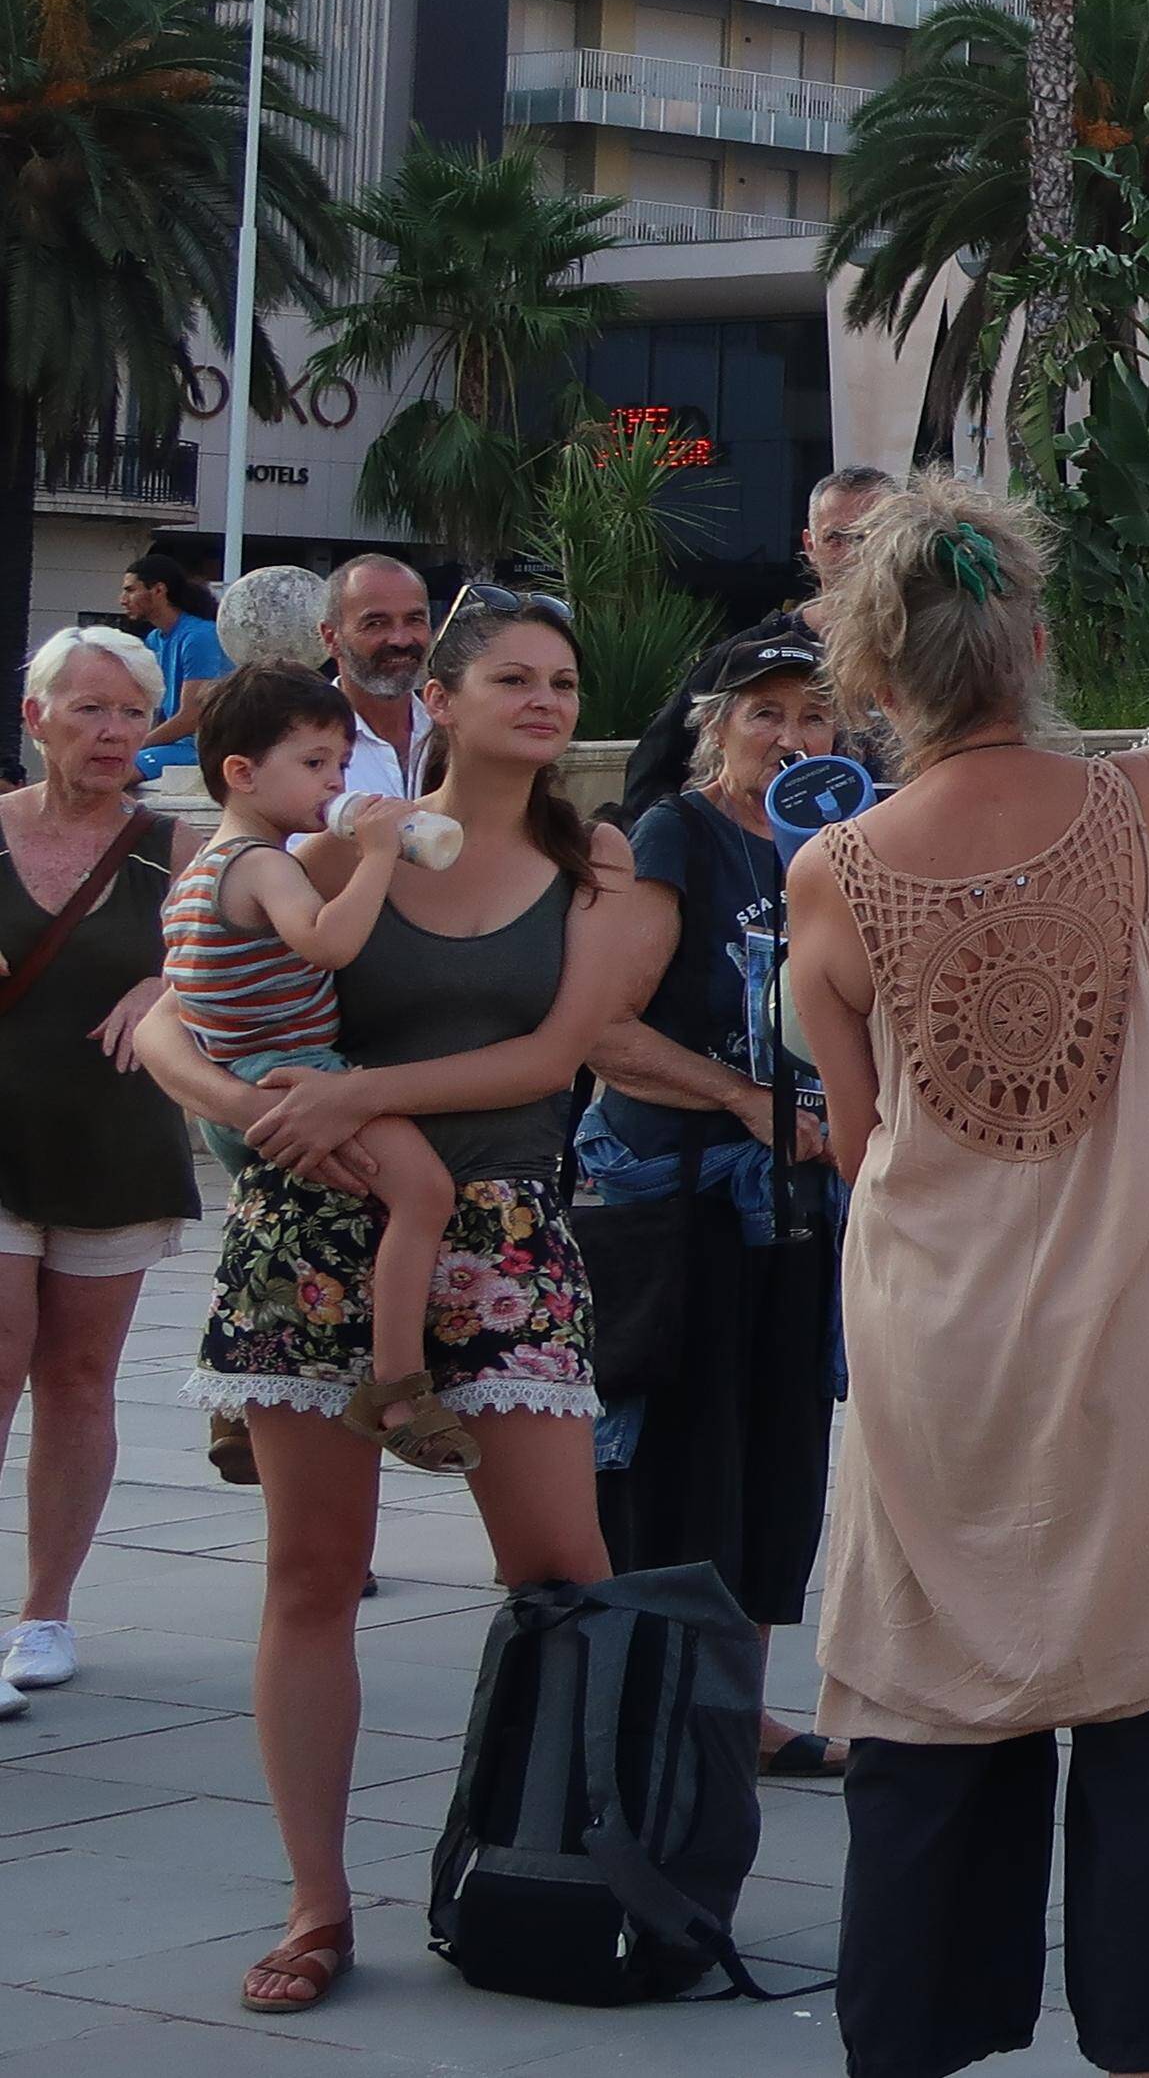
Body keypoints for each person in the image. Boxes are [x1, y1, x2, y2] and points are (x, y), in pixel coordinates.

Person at [784, 485, 1149, 2078]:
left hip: (938, 1341)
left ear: (872, 677)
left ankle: (919, 2046)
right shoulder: (1135, 806)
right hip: (1144, 1329)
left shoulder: (832, 873)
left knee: (929, 1705)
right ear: (1032, 643)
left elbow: (859, 1126)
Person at [125, 588, 665, 2017]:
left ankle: (561, 1863)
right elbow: (170, 1014)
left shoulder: (593, 858)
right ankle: (317, 1902)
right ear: (441, 694)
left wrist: (364, 1089)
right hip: (311, 1224)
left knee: (562, 1574)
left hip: (500, 1226)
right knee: (309, 1577)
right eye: (514, 677)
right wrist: (257, 1104)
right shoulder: (331, 839)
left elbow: (554, 1057)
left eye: (563, 679)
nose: (546, 701)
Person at [592, 627, 857, 1776]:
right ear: (717, 727)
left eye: (813, 714)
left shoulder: (843, 842)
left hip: (799, 1204)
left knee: (779, 1450)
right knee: (681, 1457)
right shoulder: (677, 835)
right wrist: (749, 1104)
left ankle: (737, 1709)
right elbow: (605, 1031)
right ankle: (654, 1710)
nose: (793, 736)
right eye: (767, 713)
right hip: (684, 1200)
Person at [162, 670, 464, 1472]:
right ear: (242, 771)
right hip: (299, 1073)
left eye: (338, 765)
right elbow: (327, 943)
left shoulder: (196, 869)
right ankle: (399, 1384)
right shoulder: (264, 863)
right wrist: (374, 857)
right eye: (316, 763)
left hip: (236, 1087)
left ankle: (237, 1396)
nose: (336, 782)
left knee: (284, 1236)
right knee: (425, 1192)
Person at [0, 626, 188, 1707]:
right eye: (89, 710)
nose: (114, 731)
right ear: (37, 720)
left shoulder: (176, 848)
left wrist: (168, 985)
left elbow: (237, 960)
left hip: (115, 1139)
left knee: (77, 1379)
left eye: (130, 711)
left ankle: (44, 1611)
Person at [618, 465, 895, 816]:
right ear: (810, 546)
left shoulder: (944, 655)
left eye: (870, 537)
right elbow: (653, 772)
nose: (855, 554)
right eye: (836, 538)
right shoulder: (747, 658)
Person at [316, 554, 432, 806]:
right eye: (376, 623)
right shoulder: (299, 747)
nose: (400, 640)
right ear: (331, 638)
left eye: (414, 620)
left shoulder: (457, 734)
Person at [125, 552, 228, 780]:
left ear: (158, 590)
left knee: (111, 772)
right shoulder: (154, 639)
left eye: (131, 590)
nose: (122, 600)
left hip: (203, 747)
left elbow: (192, 717)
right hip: (175, 745)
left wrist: (133, 746)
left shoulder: (199, 637)